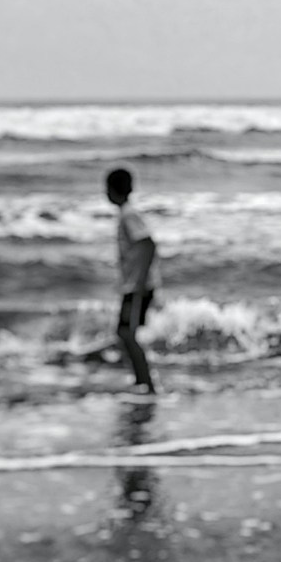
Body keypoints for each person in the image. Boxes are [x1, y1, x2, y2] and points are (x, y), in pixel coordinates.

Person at [105, 166, 159, 393]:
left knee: (126, 333)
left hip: (136, 287)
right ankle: (141, 381)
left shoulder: (129, 215)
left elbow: (148, 244)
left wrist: (137, 281)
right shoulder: (127, 214)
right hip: (134, 285)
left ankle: (145, 383)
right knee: (126, 333)